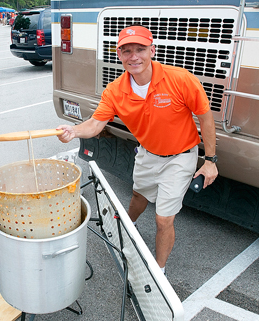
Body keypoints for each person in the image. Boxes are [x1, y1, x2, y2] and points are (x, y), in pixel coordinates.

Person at [57, 25, 218, 275]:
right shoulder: (115, 91)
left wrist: (210, 160)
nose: (134, 56)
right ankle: (127, 226)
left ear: (152, 50)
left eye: (140, 49)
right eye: (127, 50)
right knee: (138, 197)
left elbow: (206, 118)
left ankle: (159, 271)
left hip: (181, 157)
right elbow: (95, 124)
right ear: (119, 55)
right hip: (147, 153)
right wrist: (74, 131)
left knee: (163, 219)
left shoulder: (180, 78)